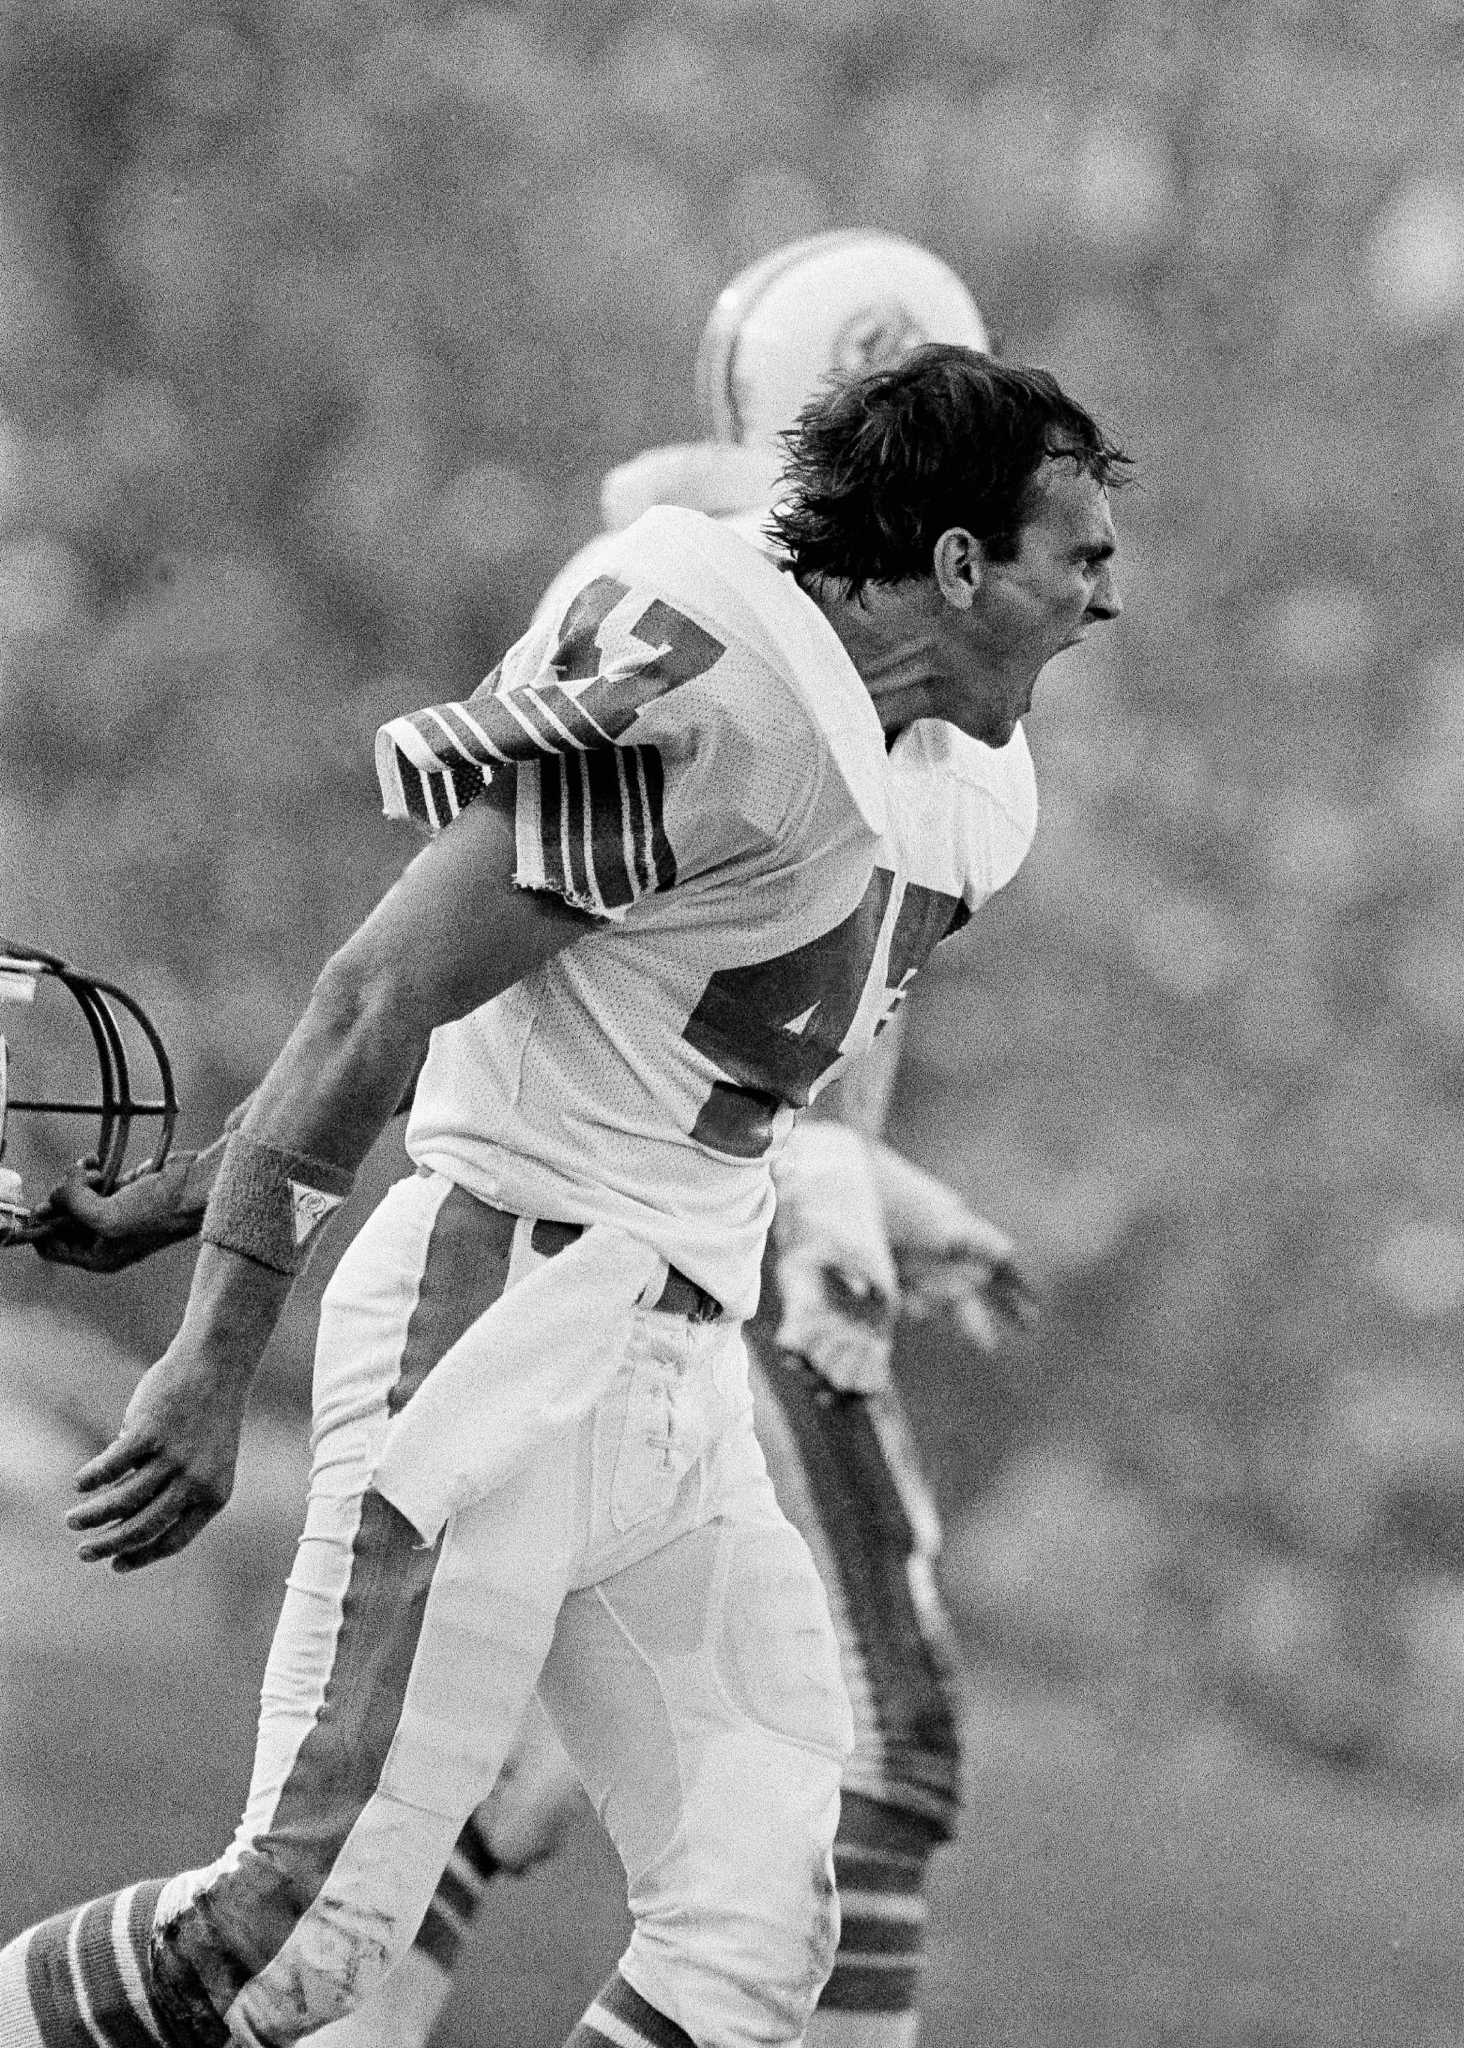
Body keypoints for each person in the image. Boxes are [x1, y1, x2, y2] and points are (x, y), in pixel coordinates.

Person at [2, 331, 1127, 2048]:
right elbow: (388, 993)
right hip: (500, 1335)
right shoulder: (726, 688)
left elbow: (626, 1038)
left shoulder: (955, 785)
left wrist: (182, 1192)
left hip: (675, 1376)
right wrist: (216, 1349)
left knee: (752, 1933)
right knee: (289, 1944)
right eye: (1083, 558)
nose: (1104, 603)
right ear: (961, 562)